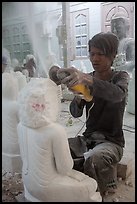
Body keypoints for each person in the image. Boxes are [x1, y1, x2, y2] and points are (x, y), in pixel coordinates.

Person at [57, 32, 130, 200]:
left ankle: (99, 189)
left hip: (111, 143)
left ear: (112, 56)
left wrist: (88, 80)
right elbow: (75, 114)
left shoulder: (120, 77)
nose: (95, 58)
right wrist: (78, 96)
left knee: (94, 158)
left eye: (100, 54)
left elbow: (117, 95)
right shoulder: (86, 79)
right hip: (88, 139)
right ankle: (87, 175)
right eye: (92, 53)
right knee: (59, 147)